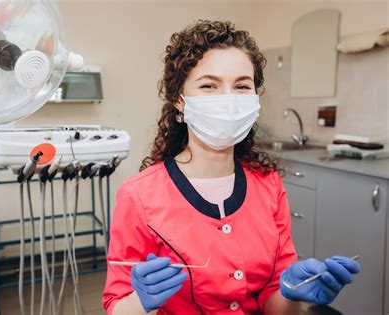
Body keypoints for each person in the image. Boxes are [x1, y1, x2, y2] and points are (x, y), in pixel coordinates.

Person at [102, 20, 360, 315]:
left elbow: (277, 307)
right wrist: (141, 302)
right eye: (209, 85)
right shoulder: (139, 195)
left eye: (241, 86)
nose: (228, 99)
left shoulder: (268, 184)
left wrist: (291, 294)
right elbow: (116, 306)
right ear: (179, 100)